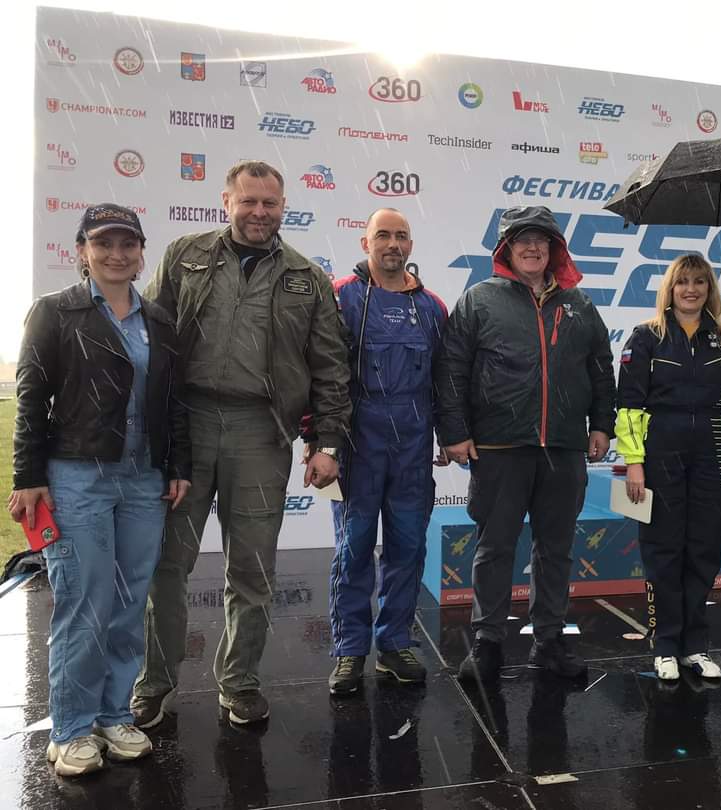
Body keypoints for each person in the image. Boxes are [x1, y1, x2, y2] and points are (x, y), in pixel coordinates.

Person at [131, 160, 351, 727]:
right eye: (248, 201)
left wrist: (327, 441)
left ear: (283, 207)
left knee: (252, 568)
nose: (259, 212)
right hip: (187, 427)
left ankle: (240, 682)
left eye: (269, 203)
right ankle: (155, 682)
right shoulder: (185, 255)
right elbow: (146, 337)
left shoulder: (306, 277)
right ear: (226, 202)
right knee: (167, 564)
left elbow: (330, 367)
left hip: (260, 430)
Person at [9, 205, 191, 776]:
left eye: (127, 244)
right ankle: (70, 728)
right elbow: (31, 397)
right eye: (103, 243)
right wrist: (28, 476)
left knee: (129, 600)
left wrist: (177, 465)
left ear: (141, 252)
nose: (116, 254)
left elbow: (173, 401)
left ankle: (115, 715)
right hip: (77, 476)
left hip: (143, 479)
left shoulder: (159, 320)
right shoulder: (54, 311)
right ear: (82, 251)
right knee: (84, 601)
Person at [436, 205, 616, 682]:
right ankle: (488, 642)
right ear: (506, 249)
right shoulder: (479, 300)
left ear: (555, 249)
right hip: (499, 447)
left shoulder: (580, 305)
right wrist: (454, 432)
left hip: (563, 447)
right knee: (494, 546)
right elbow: (452, 369)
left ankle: (549, 641)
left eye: (541, 240)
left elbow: (601, 368)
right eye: (522, 240)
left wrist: (602, 425)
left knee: (555, 548)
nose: (532, 247)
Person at [615, 254, 721, 681]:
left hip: (712, 446)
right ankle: (665, 645)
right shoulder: (646, 336)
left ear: (709, 289)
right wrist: (634, 463)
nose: (691, 289)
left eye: (699, 281)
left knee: (703, 548)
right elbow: (629, 404)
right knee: (663, 549)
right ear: (670, 288)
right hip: (659, 448)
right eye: (682, 281)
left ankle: (695, 647)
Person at [326, 209, 447, 694]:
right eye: (383, 235)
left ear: (411, 245)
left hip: (413, 446)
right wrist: (321, 441)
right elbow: (323, 374)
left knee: (408, 547)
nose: (392, 244)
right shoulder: (341, 296)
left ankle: (395, 643)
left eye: (401, 236)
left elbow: (446, 378)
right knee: (353, 548)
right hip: (358, 444)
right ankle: (350, 650)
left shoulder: (432, 306)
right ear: (365, 242)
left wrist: (450, 432)